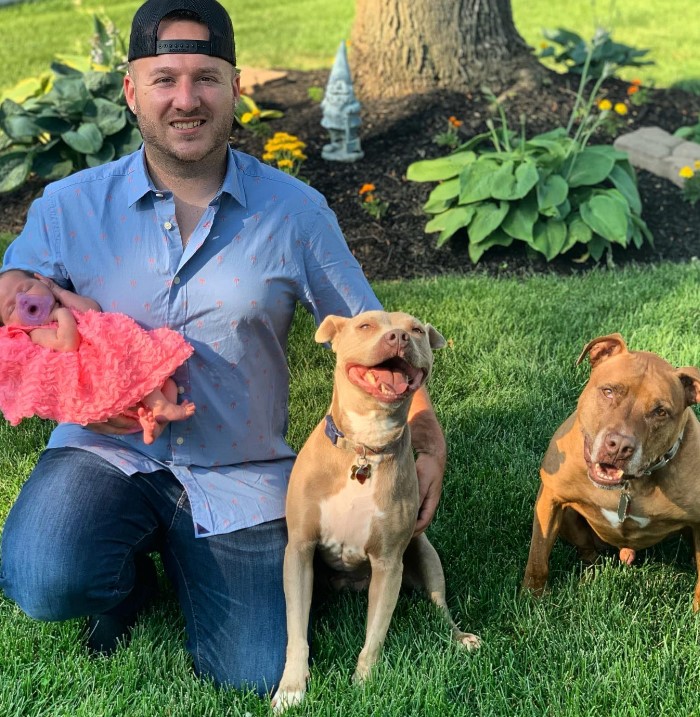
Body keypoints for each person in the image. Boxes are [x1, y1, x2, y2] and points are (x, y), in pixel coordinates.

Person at [0, 0, 447, 698]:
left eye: (206, 77)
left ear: (236, 87)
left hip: (238, 474)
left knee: (250, 668)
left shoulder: (296, 213)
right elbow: (14, 308)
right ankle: (123, 584)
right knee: (43, 575)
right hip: (103, 449)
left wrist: (425, 430)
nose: (186, 99)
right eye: (165, 78)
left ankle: (191, 557)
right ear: (130, 90)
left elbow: (374, 332)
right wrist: (81, 380)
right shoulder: (69, 205)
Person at [0, 269, 195, 443]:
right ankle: (158, 408)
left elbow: (91, 309)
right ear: (11, 326)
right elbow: (68, 343)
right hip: (104, 372)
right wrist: (61, 314)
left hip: (117, 353)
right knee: (140, 376)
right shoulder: (36, 332)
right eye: (11, 308)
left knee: (165, 381)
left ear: (42, 281)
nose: (23, 301)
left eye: (26, 288)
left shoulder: (63, 301)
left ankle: (158, 418)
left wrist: (58, 291)